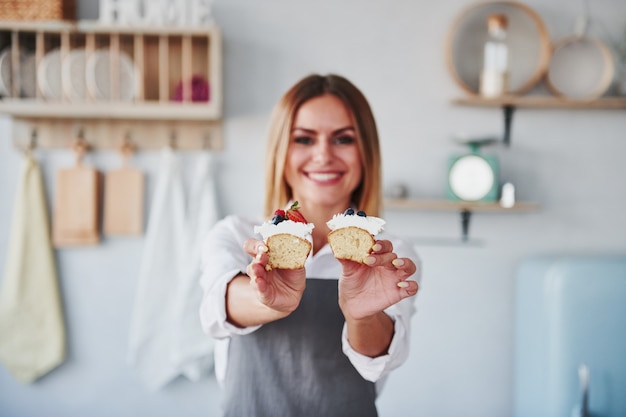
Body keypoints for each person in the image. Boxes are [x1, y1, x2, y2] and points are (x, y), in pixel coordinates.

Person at [199, 73, 421, 417]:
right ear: (280, 151)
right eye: (304, 139)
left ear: (366, 152)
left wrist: (362, 315)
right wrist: (267, 298)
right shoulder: (236, 233)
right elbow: (219, 309)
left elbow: (381, 355)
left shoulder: (388, 253)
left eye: (343, 139)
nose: (323, 156)